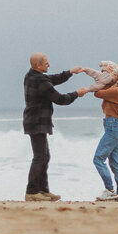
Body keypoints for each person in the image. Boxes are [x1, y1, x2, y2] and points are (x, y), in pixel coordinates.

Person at [23, 52, 87, 201]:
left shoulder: (31, 75)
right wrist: (77, 94)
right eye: (46, 63)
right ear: (38, 65)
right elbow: (60, 99)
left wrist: (70, 72)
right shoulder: (40, 81)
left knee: (45, 156)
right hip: (37, 121)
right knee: (40, 157)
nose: (49, 65)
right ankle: (32, 192)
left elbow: (53, 79)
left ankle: (43, 190)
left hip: (36, 121)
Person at [78, 68, 118, 201]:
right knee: (115, 163)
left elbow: (98, 93)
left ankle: (109, 190)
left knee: (98, 159)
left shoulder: (117, 91)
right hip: (115, 128)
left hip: (113, 128)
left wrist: (106, 80)